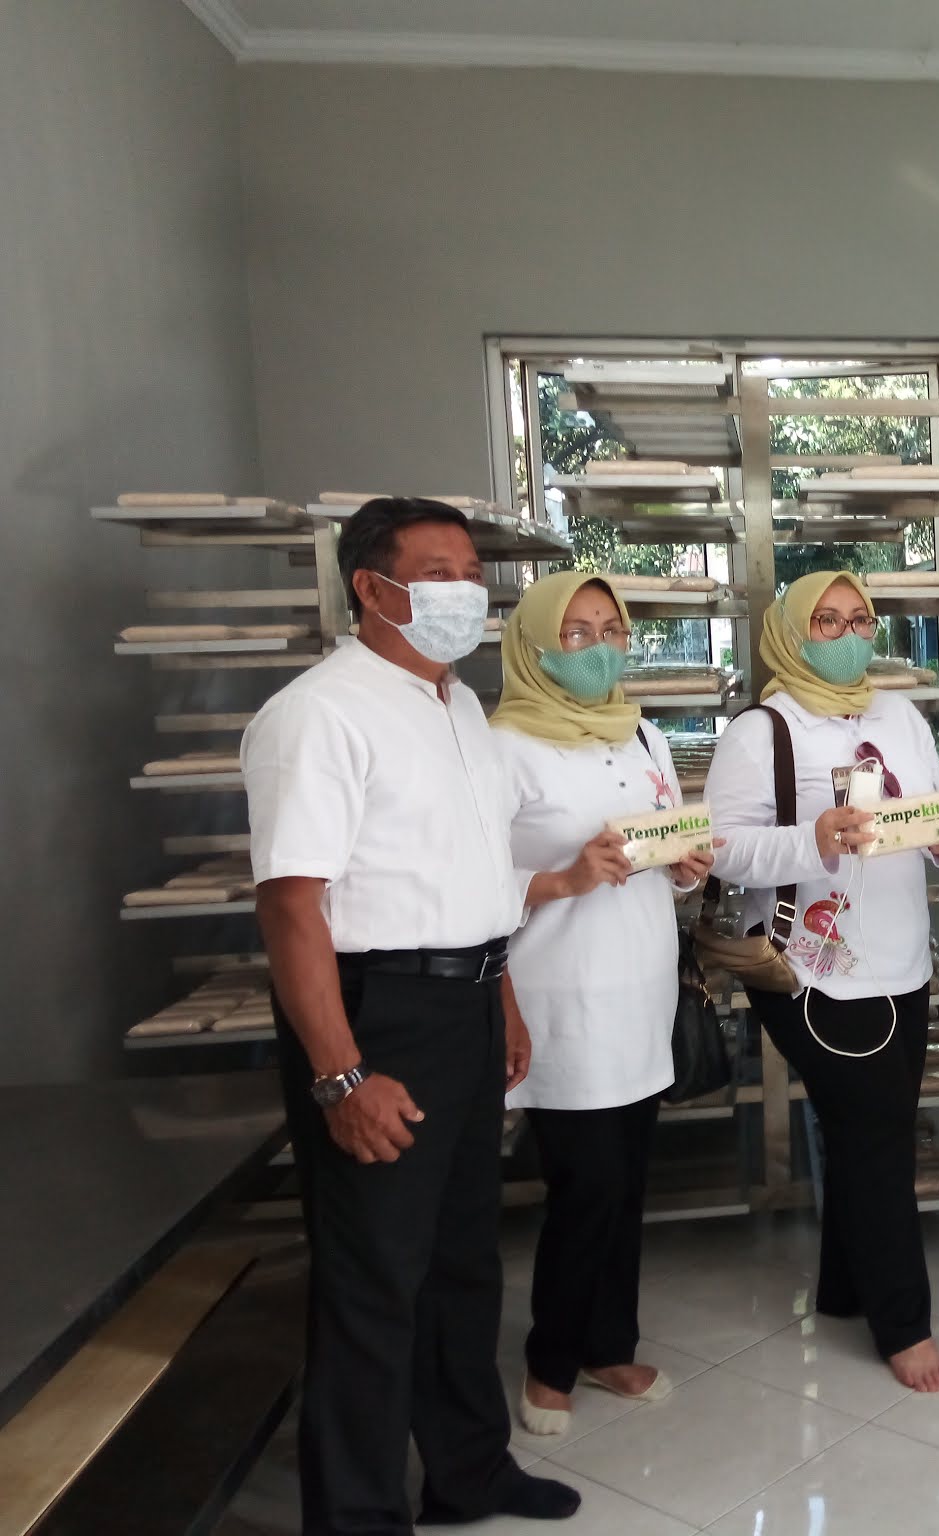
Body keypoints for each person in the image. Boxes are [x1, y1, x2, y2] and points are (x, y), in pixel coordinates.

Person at [243, 497, 579, 1534]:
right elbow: (290, 907)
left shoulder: (460, 706)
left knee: (462, 1259)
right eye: (438, 572)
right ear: (371, 587)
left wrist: (501, 1000)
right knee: (373, 1280)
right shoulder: (319, 714)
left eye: (472, 573)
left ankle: (467, 1472)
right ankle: (353, 1515)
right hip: (376, 1013)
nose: (465, 592)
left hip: (466, 1001)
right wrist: (341, 1075)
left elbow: (473, 877)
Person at [703, 570, 939, 1393]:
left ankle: (845, 1289)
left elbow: (931, 809)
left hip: (900, 957)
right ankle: (905, 1325)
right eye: (827, 621)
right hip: (812, 971)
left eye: (860, 620)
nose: (849, 634)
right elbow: (722, 849)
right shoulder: (763, 730)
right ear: (793, 633)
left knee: (875, 1129)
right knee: (874, 1143)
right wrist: (813, 839)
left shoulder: (899, 713)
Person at [491, 571, 719, 1437]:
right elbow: (466, 890)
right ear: (536, 644)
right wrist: (564, 878)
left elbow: (659, 851)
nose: (598, 648)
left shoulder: (642, 733)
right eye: (576, 632)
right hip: (561, 1000)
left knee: (626, 1184)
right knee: (585, 1189)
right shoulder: (503, 747)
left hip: (641, 991)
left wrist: (684, 865)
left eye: (610, 631)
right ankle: (549, 1363)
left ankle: (608, 1344)